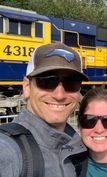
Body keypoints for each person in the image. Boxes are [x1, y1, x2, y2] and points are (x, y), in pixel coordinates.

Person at [0, 42, 88, 177]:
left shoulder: (78, 148)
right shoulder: (8, 150)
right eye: (47, 81)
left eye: (71, 83)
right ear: (27, 87)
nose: (59, 95)